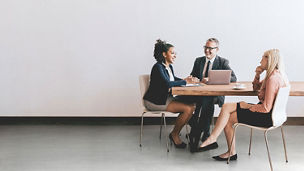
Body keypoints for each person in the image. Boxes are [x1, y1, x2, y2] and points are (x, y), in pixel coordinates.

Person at [198, 49, 289, 161]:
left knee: (229, 119)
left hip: (267, 117)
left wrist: (246, 106)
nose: (260, 61)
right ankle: (214, 138)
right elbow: (256, 88)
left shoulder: (272, 79)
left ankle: (226, 149)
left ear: (269, 60)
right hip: (273, 115)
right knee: (226, 107)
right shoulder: (275, 75)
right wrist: (257, 74)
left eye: (263, 58)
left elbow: (265, 108)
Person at [143, 39, 196, 148]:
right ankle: (174, 134)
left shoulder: (168, 66)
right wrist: (186, 82)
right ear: (164, 54)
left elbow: (173, 79)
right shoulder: (158, 67)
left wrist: (186, 80)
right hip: (155, 101)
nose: (175, 55)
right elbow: (167, 84)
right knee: (188, 109)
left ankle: (195, 131)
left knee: (192, 105)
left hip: (165, 98)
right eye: (172, 53)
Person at [188, 38, 237, 152]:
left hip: (214, 95)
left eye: (210, 48)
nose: (207, 51)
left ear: (217, 50)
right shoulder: (198, 61)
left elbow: (233, 78)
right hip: (198, 93)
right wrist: (193, 79)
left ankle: (199, 132)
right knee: (185, 101)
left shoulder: (223, 62)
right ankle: (201, 131)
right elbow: (192, 75)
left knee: (207, 100)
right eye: (206, 47)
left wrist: (211, 79)